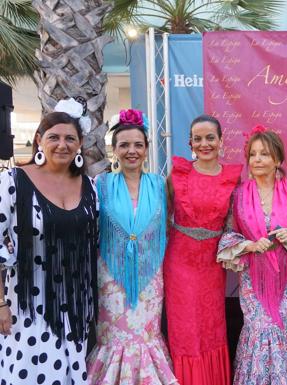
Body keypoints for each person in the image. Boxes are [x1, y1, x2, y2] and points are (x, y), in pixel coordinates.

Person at [0, 99, 98, 385]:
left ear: (80, 144)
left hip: (75, 305)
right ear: (39, 140)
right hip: (27, 305)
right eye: (54, 137)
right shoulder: (13, 181)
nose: (62, 144)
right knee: (30, 375)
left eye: (70, 138)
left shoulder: (89, 187)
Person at [217, 125, 287, 385]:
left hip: (286, 278)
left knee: (279, 326)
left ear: (278, 159)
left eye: (264, 154)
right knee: (259, 328)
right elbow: (228, 235)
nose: (258, 160)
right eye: (253, 154)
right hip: (253, 277)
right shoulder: (239, 195)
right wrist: (250, 246)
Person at [86, 109, 176, 384]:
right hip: (110, 278)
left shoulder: (161, 185)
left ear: (147, 149)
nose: (131, 151)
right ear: (114, 150)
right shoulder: (100, 184)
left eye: (138, 144)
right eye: (124, 145)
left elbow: (171, 226)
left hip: (150, 277)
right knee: (113, 337)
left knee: (146, 335)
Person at [164, 115, 242, 385]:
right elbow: (161, 218)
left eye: (210, 137)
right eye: (198, 138)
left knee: (211, 329)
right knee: (185, 331)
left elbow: (235, 224)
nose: (204, 143)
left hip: (211, 265)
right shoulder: (178, 174)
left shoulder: (233, 179)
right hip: (179, 263)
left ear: (221, 141)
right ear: (190, 143)